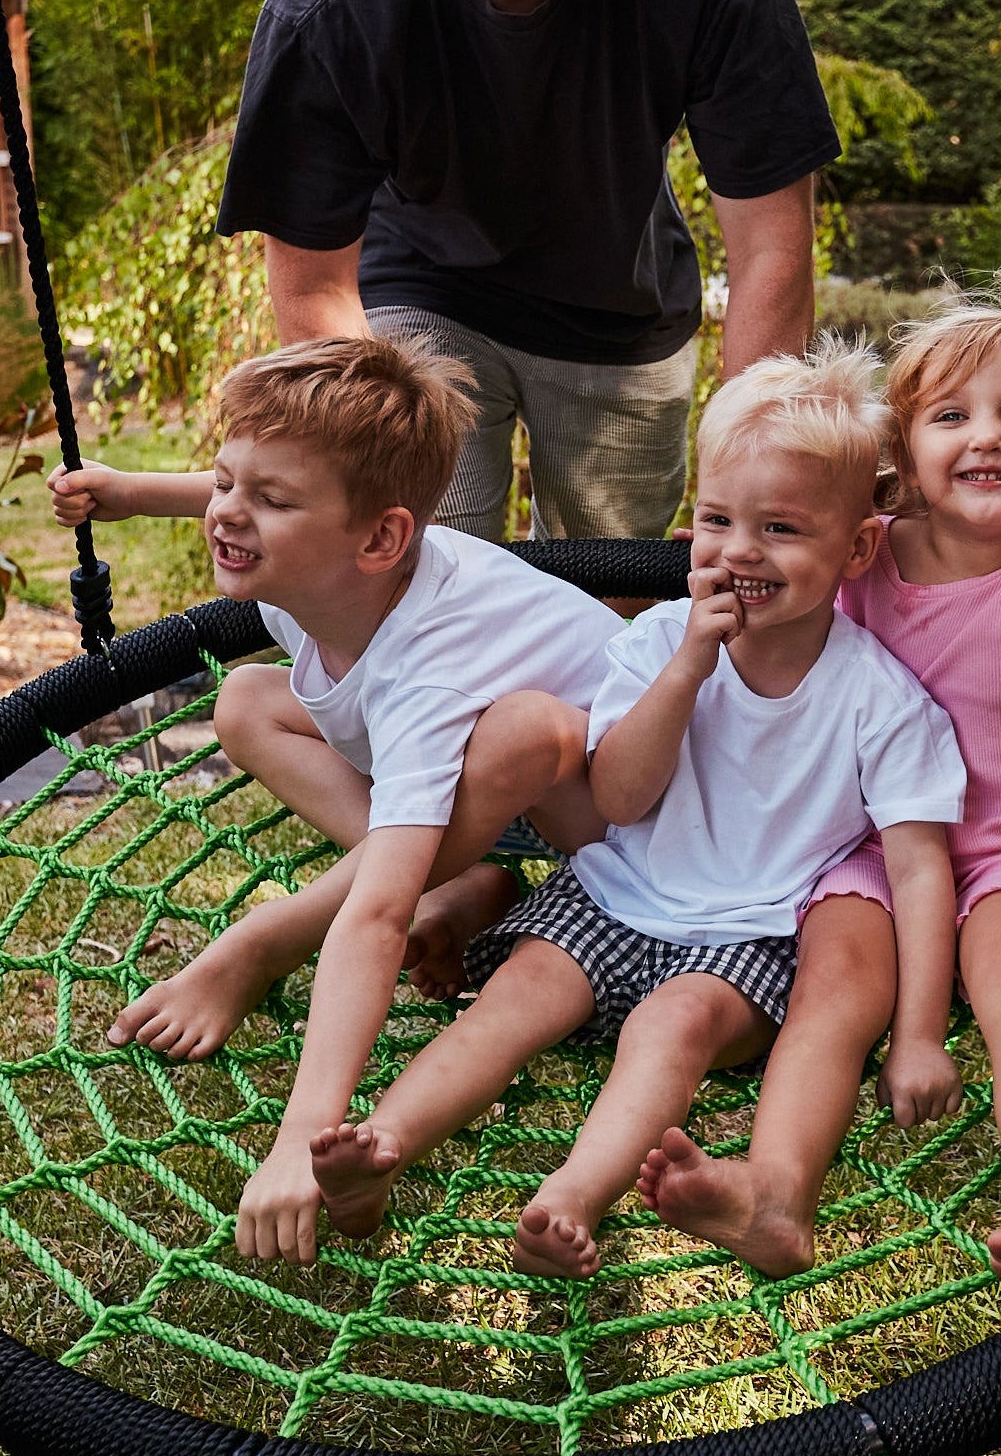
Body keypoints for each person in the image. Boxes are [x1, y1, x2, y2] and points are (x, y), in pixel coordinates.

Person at [306, 344, 964, 1278]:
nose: (740, 550)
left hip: (751, 937)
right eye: (718, 519)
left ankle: (573, 1196)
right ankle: (380, 1149)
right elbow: (617, 796)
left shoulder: (882, 699)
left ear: (855, 548)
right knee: (514, 998)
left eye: (781, 529)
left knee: (673, 1026)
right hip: (618, 893)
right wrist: (688, 666)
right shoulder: (657, 641)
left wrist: (919, 1035)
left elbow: (918, 869)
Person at [642, 289, 1001, 1295]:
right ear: (903, 456)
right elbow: (766, 563)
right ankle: (775, 1195)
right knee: (834, 981)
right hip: (863, 844)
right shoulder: (862, 548)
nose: (984, 437)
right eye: (950, 415)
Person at [216, 0, 840, 541]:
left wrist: (752, 482)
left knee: (606, 614)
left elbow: (773, 245)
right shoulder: (333, 0)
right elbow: (314, 287)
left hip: (621, 308)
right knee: (428, 579)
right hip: (419, 289)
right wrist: (373, 482)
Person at [48, 335, 625, 1263]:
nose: (230, 513)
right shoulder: (313, 569)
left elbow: (375, 921)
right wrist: (131, 492)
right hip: (500, 800)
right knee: (248, 702)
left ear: (382, 538)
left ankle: (263, 944)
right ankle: (459, 880)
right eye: (228, 483)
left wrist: (300, 1129)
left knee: (516, 735)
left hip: (620, 828)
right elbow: (253, 487)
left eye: (267, 501)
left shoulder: (430, 666)